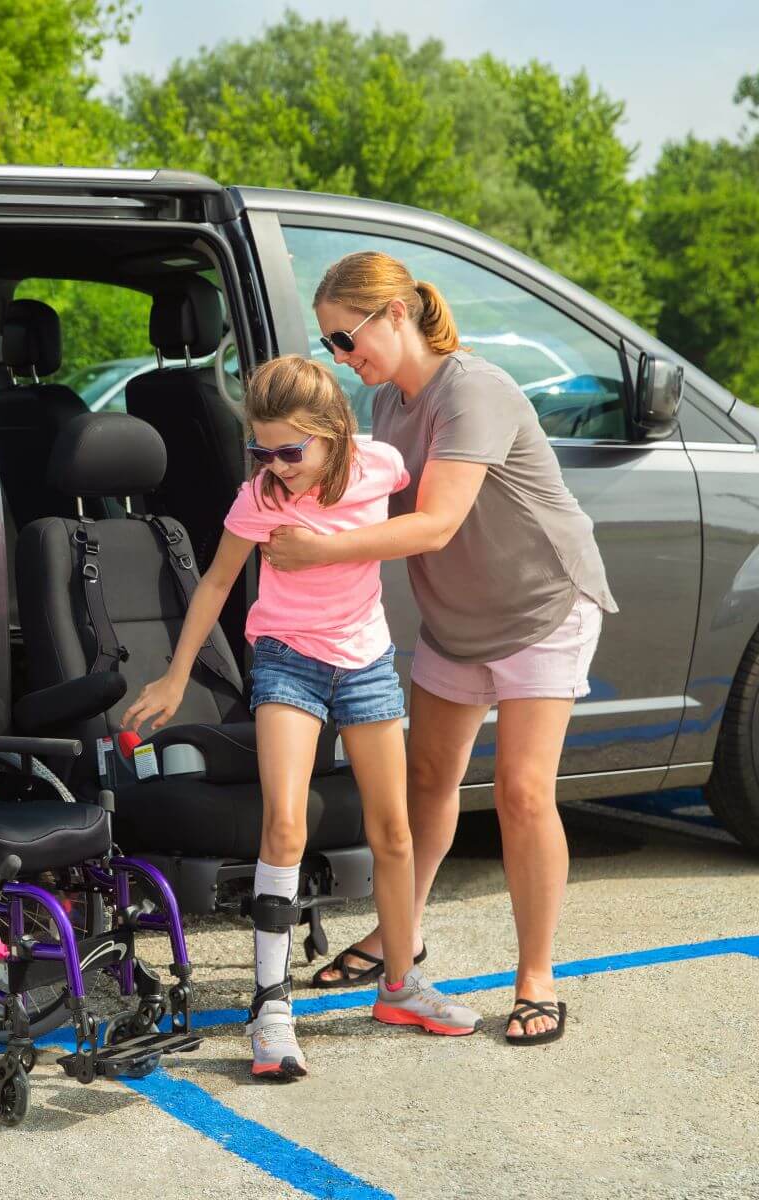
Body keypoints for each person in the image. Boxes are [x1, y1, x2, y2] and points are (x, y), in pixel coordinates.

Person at [269, 250, 618, 1046]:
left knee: (523, 794)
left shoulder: (476, 391)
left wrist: (314, 553)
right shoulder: (384, 402)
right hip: (456, 618)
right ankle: (403, 937)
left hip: (540, 608)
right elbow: (343, 489)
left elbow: (435, 523)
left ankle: (536, 975)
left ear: (395, 314)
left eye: (345, 339)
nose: (342, 359)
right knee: (427, 780)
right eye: (329, 347)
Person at [122, 354, 483, 1083]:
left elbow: (450, 487)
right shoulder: (260, 496)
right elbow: (216, 582)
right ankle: (271, 1009)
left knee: (394, 830)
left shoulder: (381, 467)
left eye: (292, 450)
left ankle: (400, 986)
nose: (278, 465)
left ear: (335, 433)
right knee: (285, 824)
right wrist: (176, 672)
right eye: (263, 449)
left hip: (367, 663)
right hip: (287, 660)